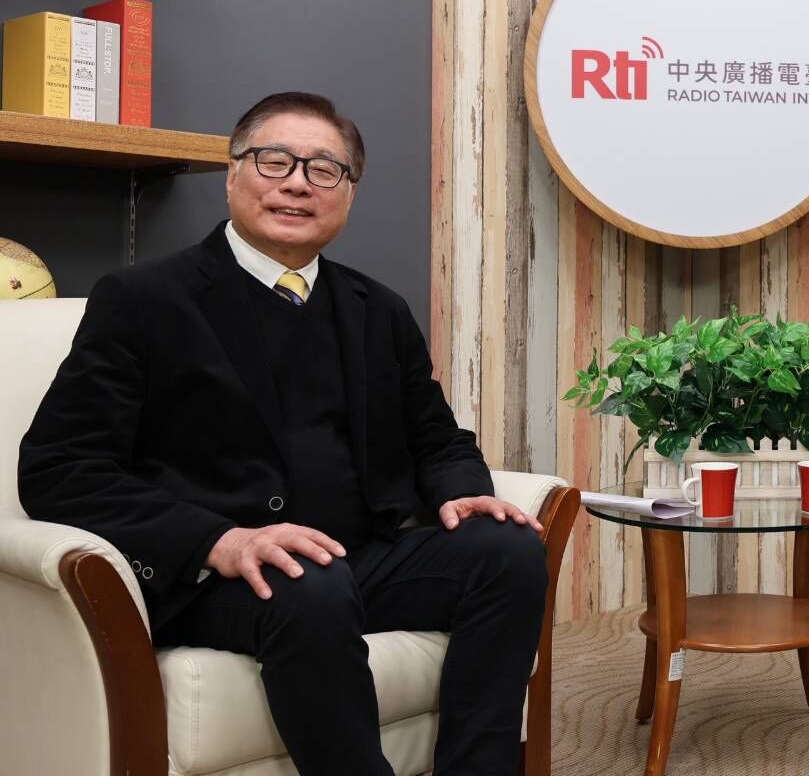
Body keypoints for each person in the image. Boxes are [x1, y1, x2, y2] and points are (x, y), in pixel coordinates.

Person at [19, 92, 548, 776]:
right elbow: (60, 469)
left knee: (507, 551)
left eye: (324, 169)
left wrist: (461, 490)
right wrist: (220, 541)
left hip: (358, 555)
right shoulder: (143, 301)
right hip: (222, 575)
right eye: (275, 161)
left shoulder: (378, 309)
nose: (298, 183)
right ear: (233, 174)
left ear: (348, 193)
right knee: (307, 581)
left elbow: (437, 436)